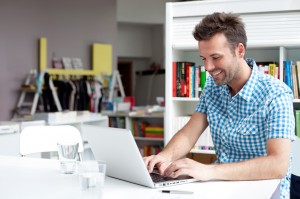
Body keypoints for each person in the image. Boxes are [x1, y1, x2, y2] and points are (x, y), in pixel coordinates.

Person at [143, 12, 295, 198]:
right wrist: (164, 157)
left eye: (215, 57)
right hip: (220, 187)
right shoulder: (212, 89)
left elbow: (278, 165)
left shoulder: (276, 94)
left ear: (240, 51)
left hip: (265, 189)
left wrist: (208, 171)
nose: (207, 67)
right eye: (203, 58)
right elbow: (189, 133)